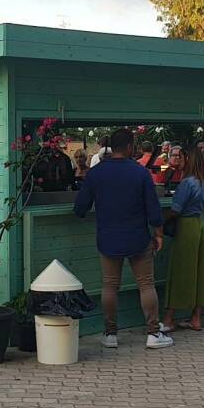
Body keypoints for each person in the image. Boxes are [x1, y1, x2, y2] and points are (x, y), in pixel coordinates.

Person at [73, 129, 174, 350]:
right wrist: (158, 233)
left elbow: (80, 208)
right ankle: (153, 334)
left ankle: (110, 334)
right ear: (130, 147)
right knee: (146, 284)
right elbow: (153, 207)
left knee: (110, 285)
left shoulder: (96, 173)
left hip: (108, 237)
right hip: (138, 236)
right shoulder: (140, 173)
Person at [161, 146, 204, 332]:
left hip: (185, 227)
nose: (178, 159)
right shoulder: (202, 181)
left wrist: (160, 221)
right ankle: (196, 317)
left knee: (180, 271)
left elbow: (175, 210)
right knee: (198, 271)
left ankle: (168, 318)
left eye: (181, 156)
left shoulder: (186, 183)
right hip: (198, 225)